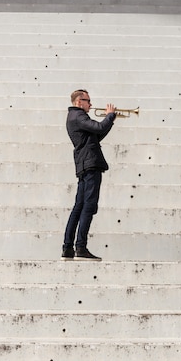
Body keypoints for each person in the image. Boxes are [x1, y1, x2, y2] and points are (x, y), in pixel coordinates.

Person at [61, 89, 116, 261]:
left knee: (78, 207)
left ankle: (68, 248)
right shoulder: (79, 116)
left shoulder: (74, 117)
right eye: (88, 101)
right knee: (88, 207)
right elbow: (99, 127)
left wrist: (110, 121)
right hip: (90, 164)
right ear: (79, 102)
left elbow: (96, 135)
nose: (91, 105)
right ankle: (81, 247)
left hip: (84, 164)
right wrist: (109, 116)